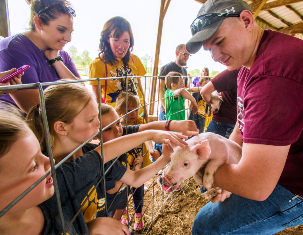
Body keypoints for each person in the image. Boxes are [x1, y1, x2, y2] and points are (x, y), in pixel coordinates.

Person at [185, 0, 303, 234]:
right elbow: (241, 128)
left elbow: (256, 185)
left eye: (219, 42)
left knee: (207, 226)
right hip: (286, 164)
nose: (215, 56)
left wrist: (196, 166)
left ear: (246, 20)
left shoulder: (274, 74)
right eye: (209, 49)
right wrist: (229, 168)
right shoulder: (247, 65)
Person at [25, 82, 189, 224]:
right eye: (91, 120)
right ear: (61, 127)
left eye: (96, 117)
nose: (99, 124)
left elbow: (134, 179)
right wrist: (150, 135)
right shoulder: (48, 172)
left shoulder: (92, 152)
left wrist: (164, 158)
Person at [0, 108, 131, 235]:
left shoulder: (52, 199)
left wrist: (88, 229)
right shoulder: (59, 186)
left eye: (41, 152)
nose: (50, 161)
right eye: (34, 165)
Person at [99, 103, 198, 230]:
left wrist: (174, 125)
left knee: (120, 208)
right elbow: (123, 185)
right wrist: (136, 168)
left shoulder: (120, 133)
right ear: (96, 133)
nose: (117, 130)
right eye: (107, 128)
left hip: (121, 194)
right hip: (105, 207)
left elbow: (147, 127)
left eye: (118, 123)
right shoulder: (104, 159)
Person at [0, 0, 79, 114]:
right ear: (39, 22)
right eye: (61, 30)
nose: (68, 39)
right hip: (22, 125)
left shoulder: (61, 53)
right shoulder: (14, 48)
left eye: (70, 32)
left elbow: (83, 94)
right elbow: (36, 108)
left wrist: (56, 61)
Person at [89, 16, 148, 121]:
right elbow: (96, 99)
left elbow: (139, 87)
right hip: (117, 119)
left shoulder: (135, 60)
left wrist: (146, 110)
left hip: (138, 114)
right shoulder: (98, 64)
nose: (121, 46)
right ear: (107, 39)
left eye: (126, 41)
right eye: (116, 40)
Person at [201, 69, 238, 138]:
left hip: (221, 121)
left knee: (207, 147)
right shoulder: (248, 72)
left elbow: (204, 92)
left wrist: (212, 104)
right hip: (236, 124)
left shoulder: (232, 72)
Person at [157, 44, 190, 121]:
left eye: (188, 55)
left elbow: (184, 89)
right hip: (167, 112)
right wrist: (166, 107)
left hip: (178, 111)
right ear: (177, 53)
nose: (187, 57)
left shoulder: (184, 71)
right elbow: (159, 89)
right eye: (185, 54)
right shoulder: (167, 68)